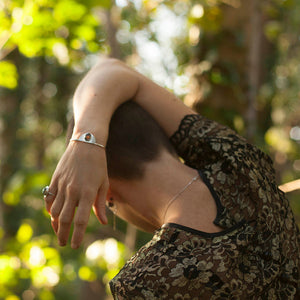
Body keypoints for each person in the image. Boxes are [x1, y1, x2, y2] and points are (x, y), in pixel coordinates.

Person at [43, 58, 300, 299]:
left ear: (107, 193)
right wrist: (87, 140)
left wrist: (83, 142)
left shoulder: (144, 282)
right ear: (163, 136)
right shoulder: (240, 164)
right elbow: (110, 67)